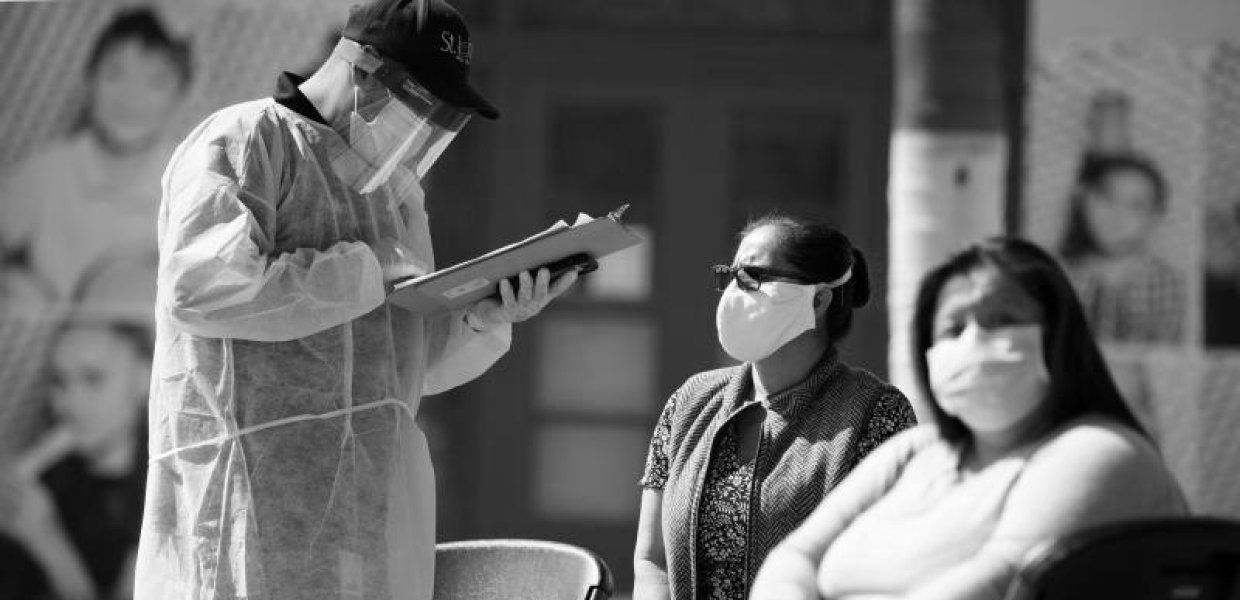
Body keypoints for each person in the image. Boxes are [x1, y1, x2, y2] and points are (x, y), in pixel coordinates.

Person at [132, 1, 579, 598]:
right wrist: (367, 269)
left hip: (361, 529)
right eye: (420, 105)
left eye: (440, 116)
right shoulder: (244, 142)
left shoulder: (395, 194)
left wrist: (481, 317)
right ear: (364, 70)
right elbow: (201, 290)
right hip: (240, 519)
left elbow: (397, 369)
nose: (422, 129)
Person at [749, 237, 1187, 600]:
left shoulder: (1099, 451)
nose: (975, 341)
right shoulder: (914, 452)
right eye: (954, 328)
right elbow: (793, 559)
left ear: (1059, 340)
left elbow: (1000, 582)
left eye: (1003, 320)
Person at [633, 215, 917, 600]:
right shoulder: (690, 401)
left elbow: (885, 568)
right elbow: (653, 560)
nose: (735, 290)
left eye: (753, 276)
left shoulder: (877, 413)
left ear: (818, 299)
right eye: (730, 275)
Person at [0, 6, 192, 301]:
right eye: (115, 73)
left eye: (156, 82)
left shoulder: (189, 184)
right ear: (88, 80)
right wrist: (17, 282)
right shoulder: (48, 170)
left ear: (179, 97)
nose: (131, 96)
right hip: (45, 333)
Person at [0, 316, 153, 600]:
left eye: (92, 379)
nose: (68, 402)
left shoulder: (161, 492)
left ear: (145, 378)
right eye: (59, 381)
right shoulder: (52, 474)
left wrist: (45, 538)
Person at [1057, 152, 1184, 343]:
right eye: (1107, 198)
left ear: (1154, 218)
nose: (1117, 214)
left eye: (1136, 206)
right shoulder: (1055, 275)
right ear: (1085, 200)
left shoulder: (1164, 282)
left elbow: (1162, 358)